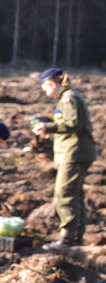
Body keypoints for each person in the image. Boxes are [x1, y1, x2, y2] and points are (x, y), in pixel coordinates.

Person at [32, 68, 98, 248]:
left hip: (74, 153)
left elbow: (73, 123)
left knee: (64, 195)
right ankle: (76, 237)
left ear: (52, 84)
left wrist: (48, 127)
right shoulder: (67, 97)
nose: (45, 92)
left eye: (45, 87)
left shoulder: (69, 98)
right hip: (75, 153)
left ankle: (67, 238)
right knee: (76, 195)